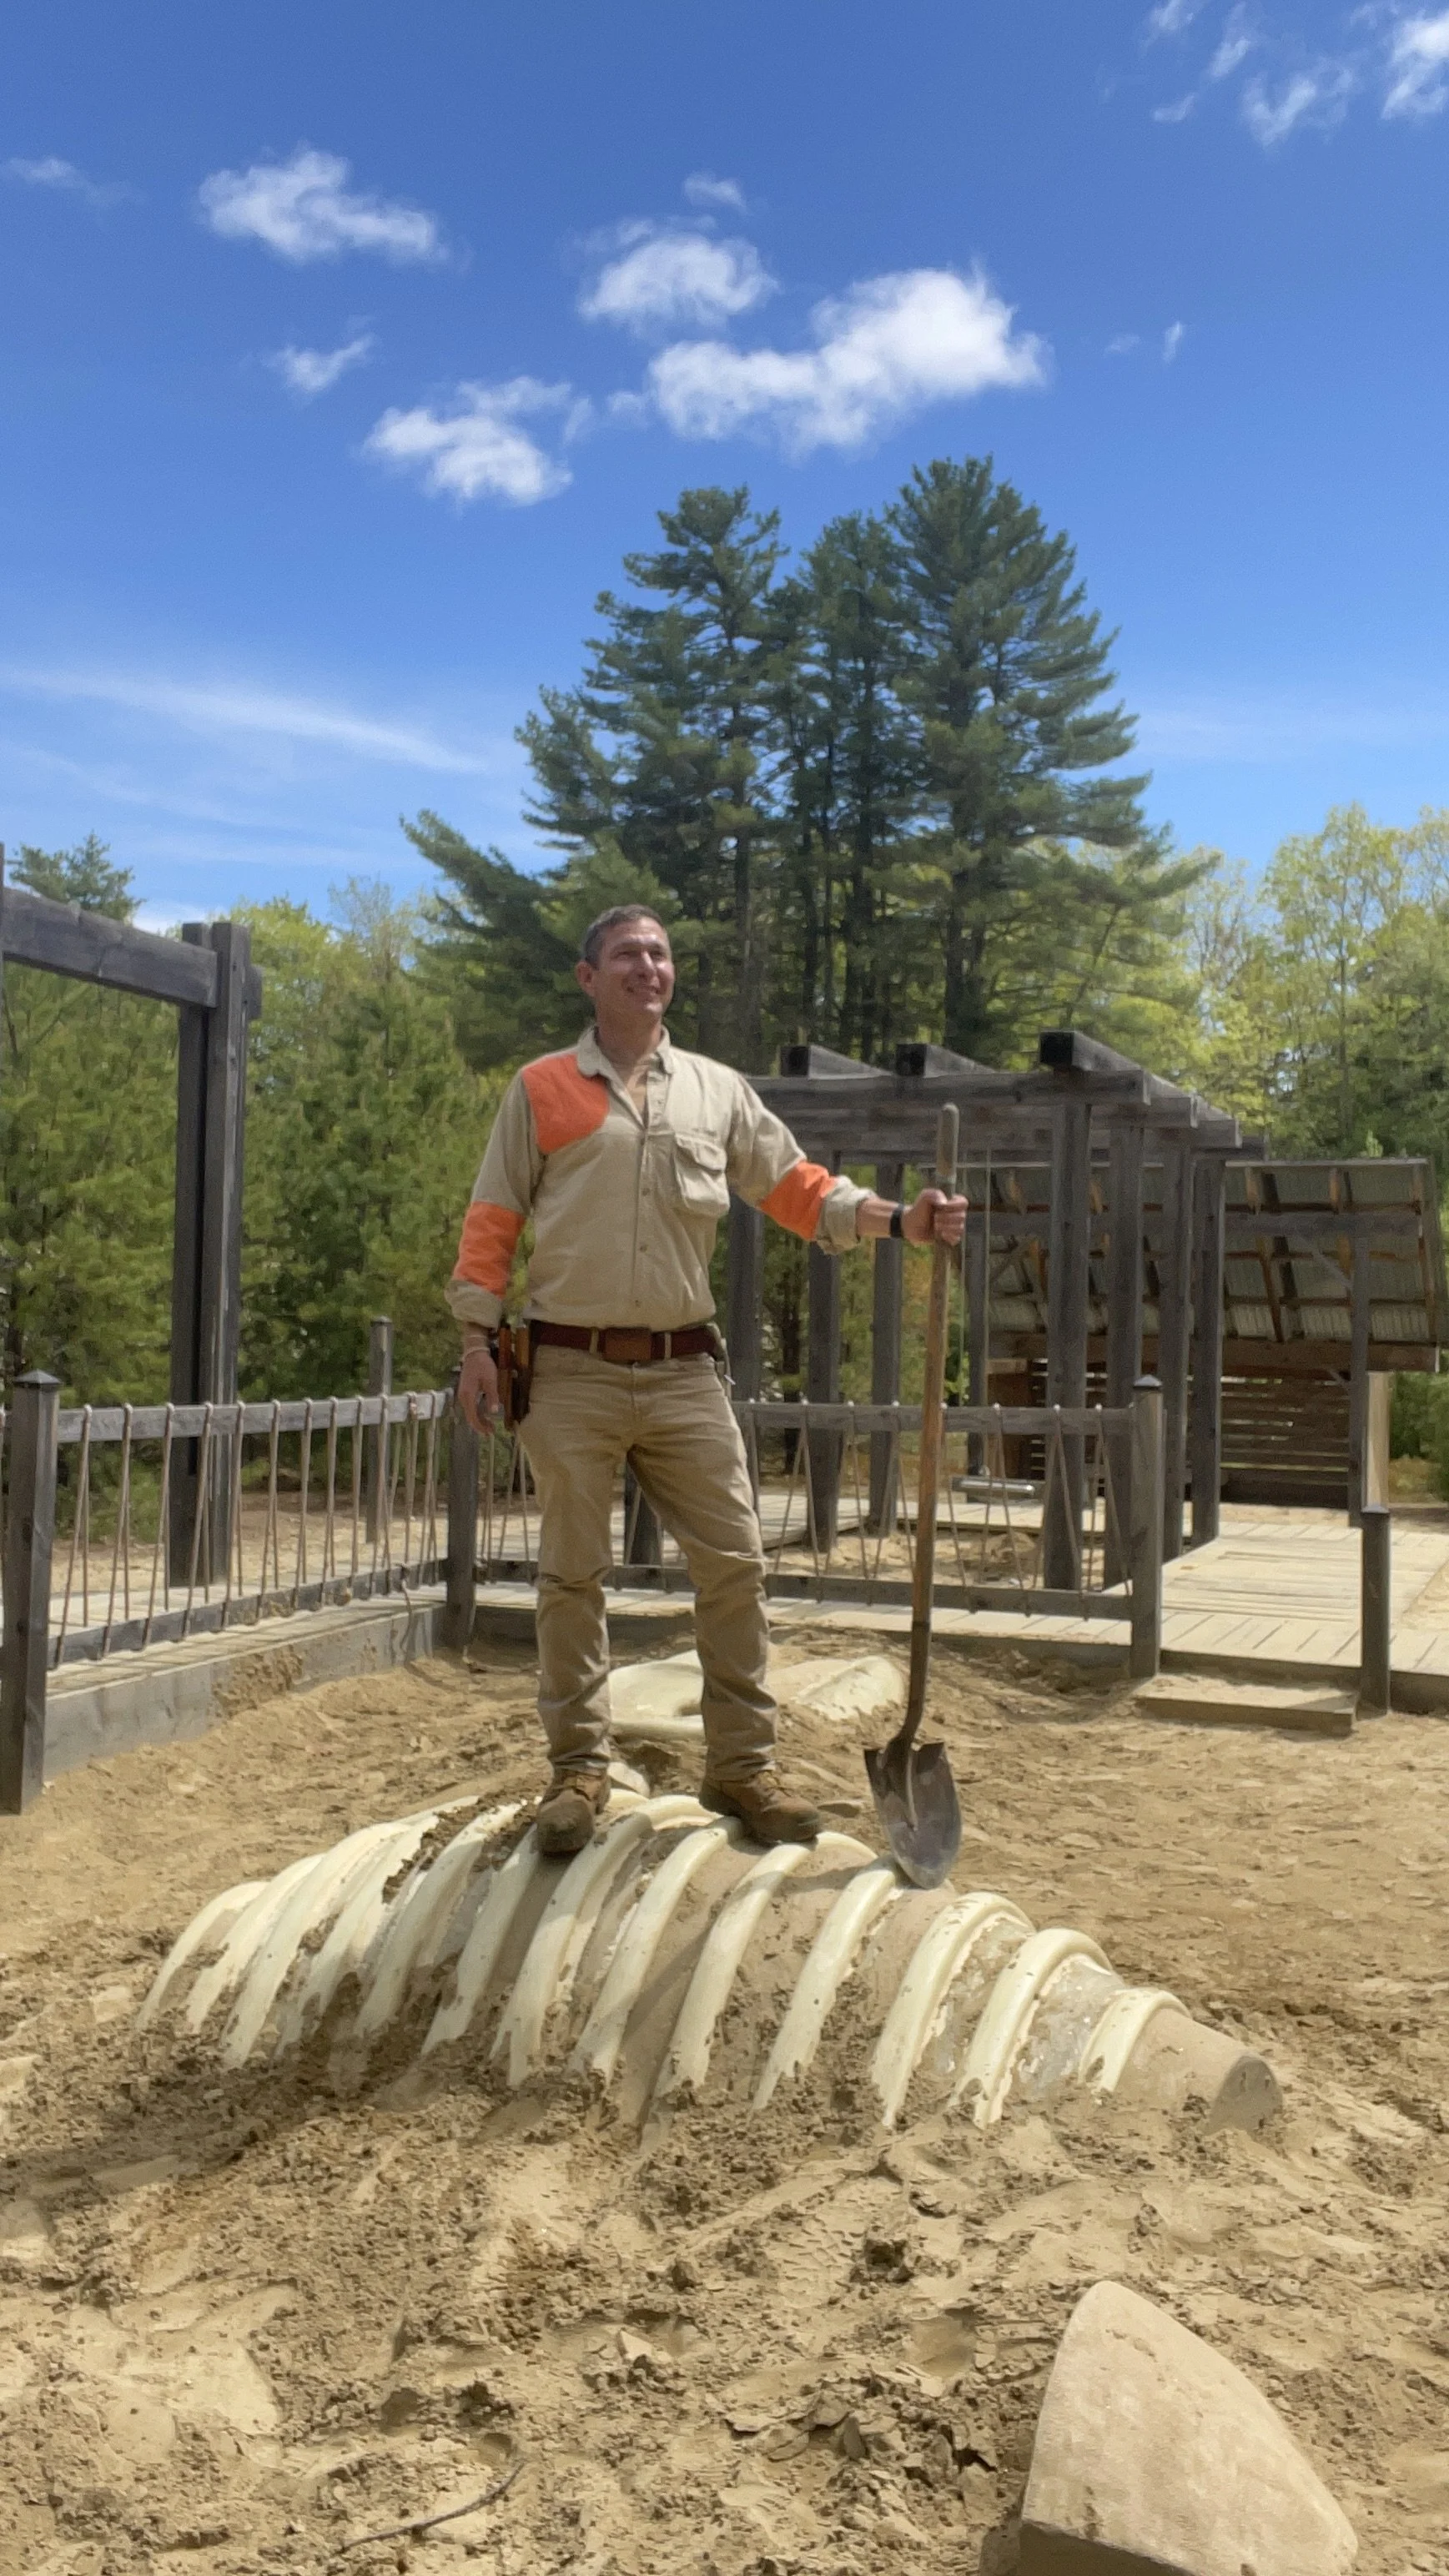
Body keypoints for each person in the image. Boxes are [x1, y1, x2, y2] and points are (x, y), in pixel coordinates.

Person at [450, 905, 968, 1857]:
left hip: (685, 1371)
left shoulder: (717, 1093)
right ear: (588, 978)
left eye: (659, 953)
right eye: (627, 954)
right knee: (572, 1575)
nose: (648, 967)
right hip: (567, 1371)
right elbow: (491, 1223)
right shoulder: (542, 1090)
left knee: (735, 1564)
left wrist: (903, 1219)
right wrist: (478, 1341)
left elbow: (800, 1189)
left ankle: (741, 1769)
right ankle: (576, 1771)